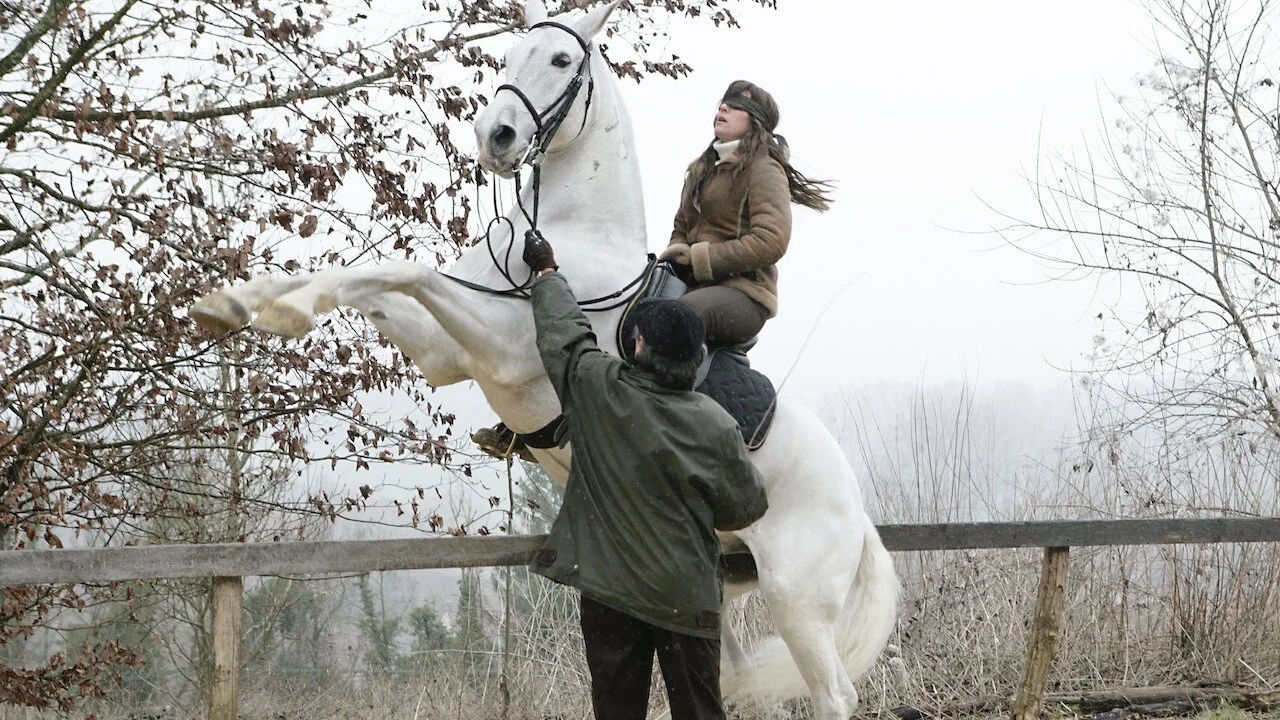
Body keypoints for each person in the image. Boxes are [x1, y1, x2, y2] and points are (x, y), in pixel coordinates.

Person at [521, 232, 769, 720]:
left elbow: (564, 335)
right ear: (697, 357)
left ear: (638, 346)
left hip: (610, 596)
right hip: (686, 600)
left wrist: (546, 272)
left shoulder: (597, 387)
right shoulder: (716, 424)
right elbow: (745, 509)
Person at [660, 80, 833, 348]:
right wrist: (677, 253)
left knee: (677, 317)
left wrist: (700, 258)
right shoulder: (699, 169)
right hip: (691, 286)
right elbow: (681, 227)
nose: (724, 108)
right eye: (724, 103)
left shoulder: (764, 169)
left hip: (745, 293)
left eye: (737, 105)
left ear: (756, 120)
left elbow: (771, 241)